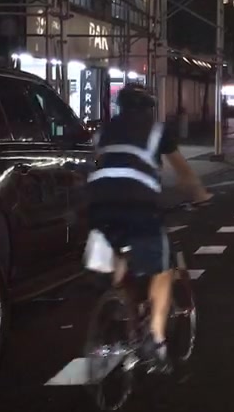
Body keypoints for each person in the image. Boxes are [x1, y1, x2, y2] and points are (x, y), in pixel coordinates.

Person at [87, 82, 212, 373]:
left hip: (99, 203)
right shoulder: (158, 131)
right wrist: (200, 195)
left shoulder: (104, 131)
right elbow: (184, 173)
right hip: (139, 204)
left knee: (118, 253)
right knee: (162, 269)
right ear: (149, 109)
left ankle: (117, 302)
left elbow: (99, 164)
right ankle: (155, 340)